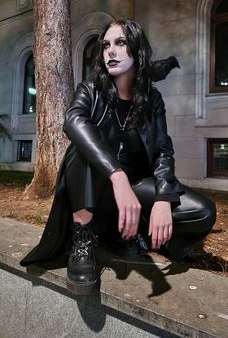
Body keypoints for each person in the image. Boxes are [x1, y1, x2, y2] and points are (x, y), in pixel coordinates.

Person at [21, 19, 216, 295]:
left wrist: (163, 197)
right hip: (96, 191)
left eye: (120, 43)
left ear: (137, 50)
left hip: (136, 191)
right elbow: (73, 121)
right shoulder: (91, 89)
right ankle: (83, 240)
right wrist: (117, 174)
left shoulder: (151, 99)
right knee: (82, 147)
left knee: (202, 211)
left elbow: (162, 151)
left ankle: (142, 238)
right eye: (106, 45)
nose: (110, 51)